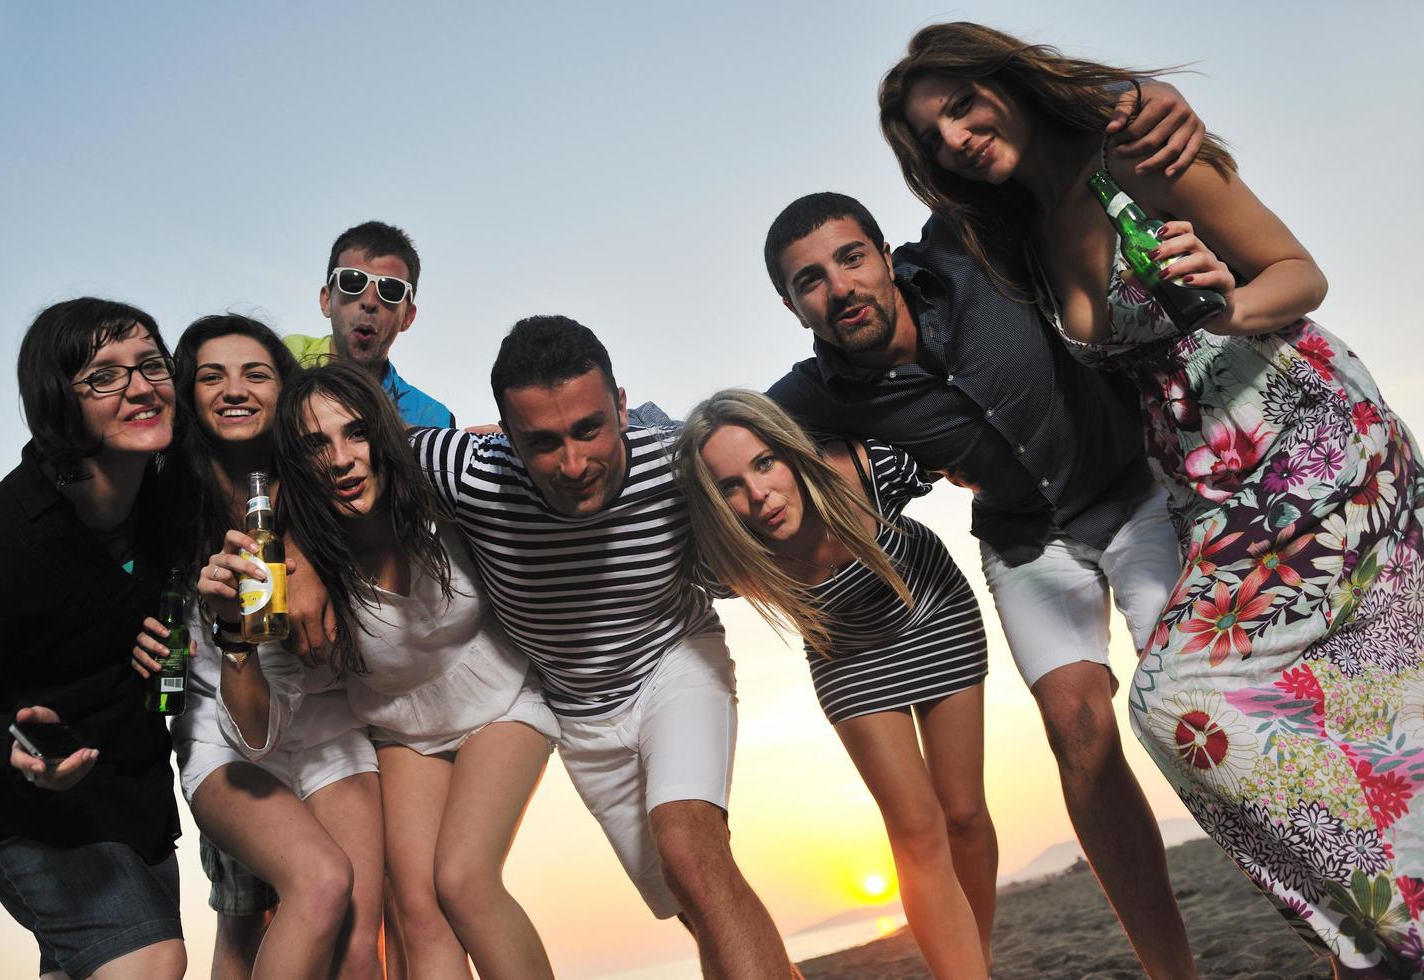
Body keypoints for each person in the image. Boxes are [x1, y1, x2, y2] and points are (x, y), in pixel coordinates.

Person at [881, 21, 1424, 973]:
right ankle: (1379, 929)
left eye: (961, 105)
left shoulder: (1133, 142)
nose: (956, 137)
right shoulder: (1013, 232)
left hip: (1303, 438)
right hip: (1206, 487)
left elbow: (1299, 272)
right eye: (932, 138)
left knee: (1179, 695)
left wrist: (1227, 304)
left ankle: (1385, 929)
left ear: (1004, 81)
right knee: (1267, 706)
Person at [763, 188, 1198, 975]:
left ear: (886, 257)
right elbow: (715, 445)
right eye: (809, 282)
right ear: (795, 309)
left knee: (1187, 699)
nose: (838, 287)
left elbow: (1041, 174)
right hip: (1026, 538)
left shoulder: (966, 250)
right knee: (1075, 728)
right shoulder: (809, 395)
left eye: (850, 258)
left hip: (1135, 493)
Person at [409, 316, 798, 978]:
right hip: (579, 715)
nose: (572, 463)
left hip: (673, 659)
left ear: (620, 406)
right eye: (542, 442)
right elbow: (338, 460)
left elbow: (794, 462)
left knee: (692, 851)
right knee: (694, 907)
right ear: (504, 434)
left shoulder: (677, 461)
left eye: (589, 428)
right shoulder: (466, 471)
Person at [199, 362, 558, 978]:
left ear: (385, 434)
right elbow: (257, 733)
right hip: (401, 727)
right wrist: (235, 635)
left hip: (503, 698)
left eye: (356, 433)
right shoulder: (298, 575)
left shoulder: (441, 487)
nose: (341, 458)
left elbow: (536, 461)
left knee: (463, 880)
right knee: (416, 908)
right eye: (317, 445)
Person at [0, 297, 186, 979]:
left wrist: (182, 655)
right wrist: (17, 749)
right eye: (104, 376)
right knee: (149, 962)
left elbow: (172, 670)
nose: (141, 387)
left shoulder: (180, 499)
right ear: (56, 402)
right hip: (22, 805)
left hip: (135, 797)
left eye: (151, 365)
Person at [675, 389, 995, 977]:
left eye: (764, 463)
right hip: (846, 657)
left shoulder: (869, 468)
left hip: (933, 612)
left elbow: (968, 449)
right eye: (730, 486)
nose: (758, 495)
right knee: (917, 830)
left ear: (791, 452)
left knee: (965, 814)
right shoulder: (724, 558)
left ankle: (978, 961)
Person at [129, 315, 384, 979]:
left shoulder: (326, 472)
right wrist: (142, 638)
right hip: (223, 731)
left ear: (285, 390)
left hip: (328, 724)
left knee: (360, 943)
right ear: (188, 394)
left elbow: (402, 477)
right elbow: (118, 584)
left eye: (256, 373)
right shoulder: (159, 496)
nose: (233, 389)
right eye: (211, 376)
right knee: (309, 888)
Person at [284, 219, 455, 427]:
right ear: (327, 300)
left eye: (390, 290)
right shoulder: (283, 362)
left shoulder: (431, 418)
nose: (369, 302)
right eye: (352, 282)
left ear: (407, 317)